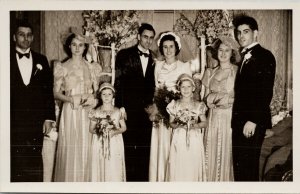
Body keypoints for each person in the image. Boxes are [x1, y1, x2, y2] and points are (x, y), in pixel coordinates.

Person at [231, 15, 276, 181]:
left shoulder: (265, 56)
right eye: (239, 32)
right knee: (241, 168)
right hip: (241, 121)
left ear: (255, 33)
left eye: (246, 32)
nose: (241, 36)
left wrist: (253, 120)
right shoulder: (245, 56)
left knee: (248, 169)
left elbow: (265, 91)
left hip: (251, 122)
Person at [10, 20, 56, 182]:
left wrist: (49, 118)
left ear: (33, 37)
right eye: (21, 35)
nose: (26, 38)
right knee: (12, 160)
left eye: (29, 35)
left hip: (35, 121)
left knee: (34, 159)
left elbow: (47, 92)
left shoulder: (41, 60)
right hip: (11, 119)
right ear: (14, 37)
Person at [53, 30, 99, 182]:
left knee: (87, 146)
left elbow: (97, 93)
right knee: (71, 149)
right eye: (74, 45)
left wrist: (93, 100)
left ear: (85, 47)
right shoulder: (62, 66)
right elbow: (55, 93)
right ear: (69, 46)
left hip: (87, 111)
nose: (77, 48)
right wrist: (70, 99)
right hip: (70, 111)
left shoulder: (91, 67)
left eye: (80, 45)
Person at [114, 23, 156, 181]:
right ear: (138, 36)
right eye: (145, 37)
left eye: (151, 38)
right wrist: (121, 107)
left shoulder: (155, 57)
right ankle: (129, 182)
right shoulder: (124, 55)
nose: (148, 41)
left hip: (147, 111)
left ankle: (143, 183)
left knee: (146, 148)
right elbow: (119, 82)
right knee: (129, 147)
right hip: (129, 109)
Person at [149, 31, 192, 181]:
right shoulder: (158, 65)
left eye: (171, 47)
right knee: (161, 145)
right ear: (161, 48)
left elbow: (187, 90)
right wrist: (159, 105)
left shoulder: (184, 66)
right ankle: (160, 178)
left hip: (177, 111)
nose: (168, 50)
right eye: (165, 47)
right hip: (160, 111)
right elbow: (156, 87)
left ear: (177, 48)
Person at [202, 36, 240, 181]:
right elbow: (205, 99)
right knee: (210, 152)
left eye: (227, 50)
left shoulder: (237, 72)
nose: (223, 53)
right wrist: (211, 99)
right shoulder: (210, 72)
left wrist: (220, 99)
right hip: (212, 119)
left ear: (232, 53)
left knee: (226, 152)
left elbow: (240, 99)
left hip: (228, 118)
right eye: (220, 50)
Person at [165, 74, 207, 181]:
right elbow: (171, 123)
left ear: (193, 88)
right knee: (179, 161)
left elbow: (204, 123)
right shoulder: (174, 104)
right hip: (179, 137)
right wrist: (179, 124)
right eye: (183, 87)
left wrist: (195, 125)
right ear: (179, 89)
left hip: (194, 138)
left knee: (192, 161)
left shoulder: (198, 105)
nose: (186, 89)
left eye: (188, 87)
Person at [87, 82, 127, 181]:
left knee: (113, 165)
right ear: (100, 96)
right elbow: (91, 129)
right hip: (100, 142)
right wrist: (100, 131)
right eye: (104, 94)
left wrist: (114, 132)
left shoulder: (118, 111)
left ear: (113, 95)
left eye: (109, 94)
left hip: (114, 142)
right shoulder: (95, 112)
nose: (106, 97)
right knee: (101, 164)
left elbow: (123, 128)